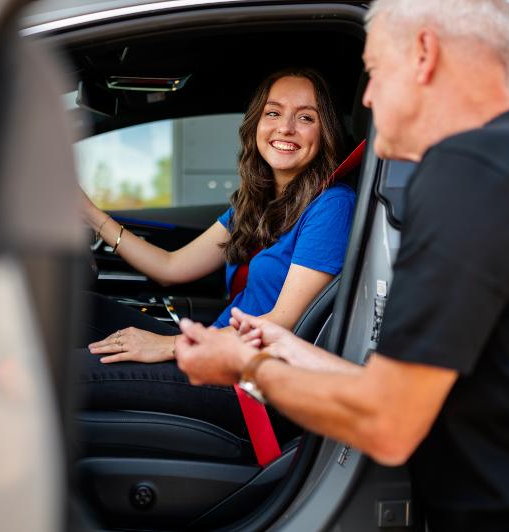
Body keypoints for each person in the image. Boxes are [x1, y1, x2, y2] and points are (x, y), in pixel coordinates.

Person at [175, 0, 509, 529]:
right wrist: (284, 346)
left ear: (424, 54)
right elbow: (403, 388)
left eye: (377, 70)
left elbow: (389, 421)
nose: (367, 96)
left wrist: (246, 368)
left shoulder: (473, 174)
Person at [77, 68, 356, 439]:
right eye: (273, 112)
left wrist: (169, 344)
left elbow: (279, 326)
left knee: (63, 373)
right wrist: (92, 215)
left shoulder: (332, 205)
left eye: (305, 117)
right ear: (257, 122)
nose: (285, 127)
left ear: (326, 132)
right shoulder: (255, 203)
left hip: (251, 386)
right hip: (215, 353)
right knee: (77, 305)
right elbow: (171, 267)